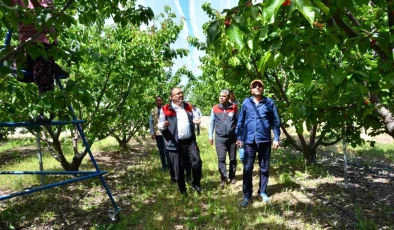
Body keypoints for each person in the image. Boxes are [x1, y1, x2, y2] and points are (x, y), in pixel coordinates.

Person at [236, 80, 280, 207]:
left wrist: (276, 138)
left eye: (259, 85)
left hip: (264, 140)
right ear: (251, 90)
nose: (257, 87)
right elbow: (241, 122)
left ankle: (263, 192)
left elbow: (276, 122)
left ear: (263, 88)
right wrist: (239, 137)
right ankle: (247, 196)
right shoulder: (246, 102)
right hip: (249, 141)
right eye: (254, 86)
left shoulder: (269, 103)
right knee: (247, 169)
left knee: (264, 167)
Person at [158, 87, 203, 195]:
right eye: (178, 93)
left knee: (197, 162)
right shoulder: (165, 109)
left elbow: (190, 118)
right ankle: (182, 189)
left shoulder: (188, 106)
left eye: (182, 92)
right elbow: (159, 124)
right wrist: (163, 125)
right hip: (175, 143)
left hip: (190, 141)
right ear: (171, 97)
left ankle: (196, 184)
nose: (181, 95)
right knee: (179, 168)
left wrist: (195, 121)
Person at [12, 0, 56, 94]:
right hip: (25, 46)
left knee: (43, 66)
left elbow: (44, 14)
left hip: (42, 45)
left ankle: (46, 99)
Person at [208, 89, 238, 188]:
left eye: (224, 96)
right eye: (220, 96)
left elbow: (239, 122)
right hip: (219, 138)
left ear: (228, 97)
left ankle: (232, 176)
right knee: (221, 158)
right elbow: (211, 122)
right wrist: (210, 136)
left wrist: (239, 136)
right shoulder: (215, 108)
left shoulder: (234, 108)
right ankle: (223, 178)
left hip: (232, 138)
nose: (221, 97)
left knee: (233, 158)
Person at [149, 96, 175, 180]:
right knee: (161, 151)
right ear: (155, 102)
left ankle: (169, 165)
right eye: (157, 100)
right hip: (158, 133)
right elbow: (151, 121)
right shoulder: (153, 111)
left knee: (167, 150)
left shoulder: (165, 109)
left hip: (166, 133)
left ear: (162, 101)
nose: (158, 102)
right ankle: (164, 166)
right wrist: (152, 132)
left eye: (160, 100)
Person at [229, 90, 244, 163]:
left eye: (231, 94)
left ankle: (242, 158)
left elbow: (239, 117)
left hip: (236, 127)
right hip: (228, 130)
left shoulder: (236, 105)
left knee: (239, 142)